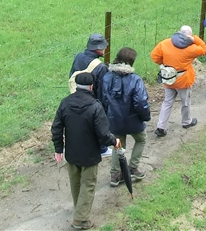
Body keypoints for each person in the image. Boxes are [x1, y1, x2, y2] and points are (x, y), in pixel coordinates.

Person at [51, 71, 120, 230]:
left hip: (71, 153)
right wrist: (114, 141)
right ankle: (80, 219)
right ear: (91, 86)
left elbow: (56, 128)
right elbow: (103, 134)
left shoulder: (65, 103)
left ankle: (79, 211)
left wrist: (58, 149)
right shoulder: (95, 106)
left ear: (76, 85)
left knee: (75, 184)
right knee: (87, 185)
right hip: (90, 155)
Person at [101, 47, 151, 187]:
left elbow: (103, 100)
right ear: (131, 62)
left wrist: (106, 118)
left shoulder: (106, 78)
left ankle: (115, 174)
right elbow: (140, 102)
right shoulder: (135, 79)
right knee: (141, 139)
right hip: (133, 119)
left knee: (118, 145)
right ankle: (133, 167)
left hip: (114, 120)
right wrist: (145, 116)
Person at [150, 25, 206, 137]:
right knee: (185, 102)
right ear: (189, 36)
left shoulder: (164, 43)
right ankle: (186, 122)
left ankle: (161, 127)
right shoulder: (191, 49)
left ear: (178, 32)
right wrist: (194, 38)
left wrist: (166, 65)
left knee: (167, 102)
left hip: (169, 79)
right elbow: (204, 48)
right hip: (183, 80)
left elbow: (154, 57)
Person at [70, 34, 109, 103]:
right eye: (103, 46)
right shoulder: (101, 67)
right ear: (98, 49)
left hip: (76, 98)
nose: (105, 48)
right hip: (92, 103)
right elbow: (102, 93)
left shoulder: (78, 56)